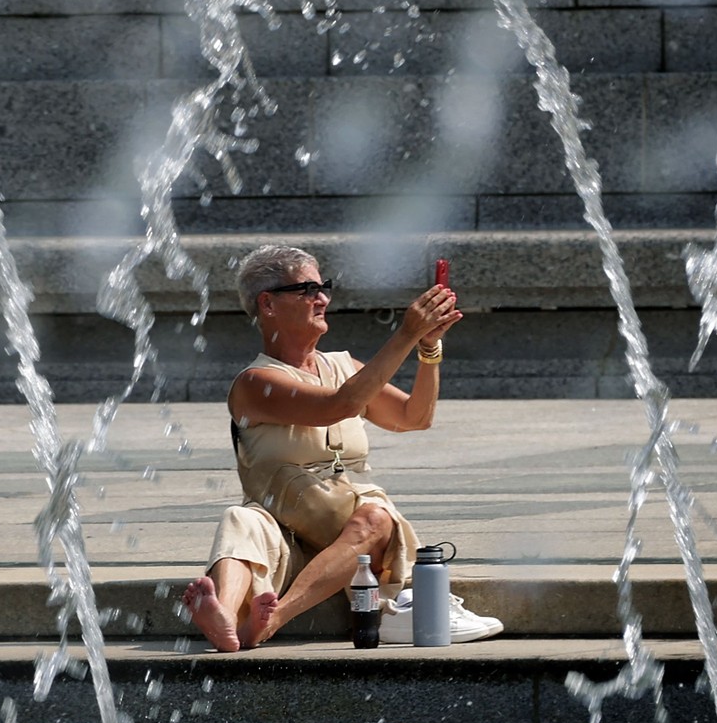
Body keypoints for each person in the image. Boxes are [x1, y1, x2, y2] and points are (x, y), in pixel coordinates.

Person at [182, 244, 502, 651]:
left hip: (355, 537)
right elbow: (339, 406)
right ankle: (222, 616)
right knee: (241, 521)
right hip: (287, 535)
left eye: (325, 287)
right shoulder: (254, 382)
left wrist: (426, 348)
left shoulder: (344, 366)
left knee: (375, 518)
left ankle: (272, 618)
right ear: (268, 304)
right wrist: (405, 333)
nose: (323, 299)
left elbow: (414, 417)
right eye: (307, 289)